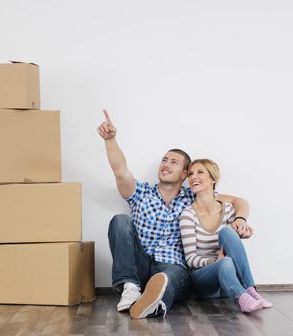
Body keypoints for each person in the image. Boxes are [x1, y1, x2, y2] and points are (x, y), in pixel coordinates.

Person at [97, 110, 254, 319]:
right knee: (120, 221)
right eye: (164, 160)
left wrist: (241, 219)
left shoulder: (194, 197)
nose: (166, 164)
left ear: (184, 174)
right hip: (139, 264)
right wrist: (110, 140)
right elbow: (120, 170)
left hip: (173, 265)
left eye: (174, 162)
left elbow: (238, 201)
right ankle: (131, 287)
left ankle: (154, 303)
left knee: (169, 278)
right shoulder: (141, 193)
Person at [179, 159, 273, 313]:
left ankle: (251, 291)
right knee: (225, 262)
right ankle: (242, 297)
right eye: (190, 174)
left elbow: (231, 239)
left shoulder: (228, 209)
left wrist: (241, 232)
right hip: (203, 280)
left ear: (213, 179)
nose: (193, 177)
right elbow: (190, 259)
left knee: (227, 232)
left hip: (228, 276)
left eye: (200, 172)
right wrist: (215, 260)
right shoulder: (188, 215)